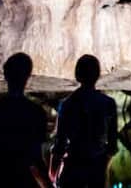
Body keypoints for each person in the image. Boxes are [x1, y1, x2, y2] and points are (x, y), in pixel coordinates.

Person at [0, 52, 50, 188]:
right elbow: (36, 160)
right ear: (28, 76)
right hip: (22, 181)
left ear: (5, 74)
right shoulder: (36, 113)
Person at [49, 55, 118, 188]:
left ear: (77, 75)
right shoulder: (108, 103)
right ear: (97, 75)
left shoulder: (67, 104)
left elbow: (60, 144)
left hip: (73, 167)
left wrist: (53, 171)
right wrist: (104, 168)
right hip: (96, 168)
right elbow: (112, 145)